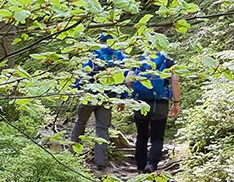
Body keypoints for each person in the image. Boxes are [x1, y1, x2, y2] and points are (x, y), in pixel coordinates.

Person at [70, 35, 125, 170]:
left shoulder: (95, 54)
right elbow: (123, 78)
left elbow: (85, 72)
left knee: (80, 122)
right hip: (107, 97)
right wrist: (122, 98)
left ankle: (72, 155)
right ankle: (101, 162)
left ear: (100, 41)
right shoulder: (119, 57)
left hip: (90, 95)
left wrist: (74, 88)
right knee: (102, 129)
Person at [127, 52, 181, 173]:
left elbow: (128, 80)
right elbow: (175, 82)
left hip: (140, 103)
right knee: (157, 137)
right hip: (160, 104)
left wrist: (137, 92)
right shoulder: (168, 61)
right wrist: (176, 102)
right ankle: (151, 164)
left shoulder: (140, 60)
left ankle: (140, 165)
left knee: (141, 135)